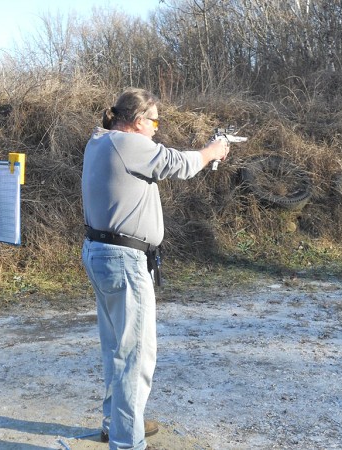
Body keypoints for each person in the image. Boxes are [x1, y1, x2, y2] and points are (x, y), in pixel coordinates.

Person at [81, 88, 229, 450]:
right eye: (154, 122)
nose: (155, 129)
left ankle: (117, 422)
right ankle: (127, 441)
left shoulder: (100, 141)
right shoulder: (128, 143)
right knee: (135, 356)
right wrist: (213, 151)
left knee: (116, 347)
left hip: (104, 253)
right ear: (137, 121)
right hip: (124, 260)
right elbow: (179, 163)